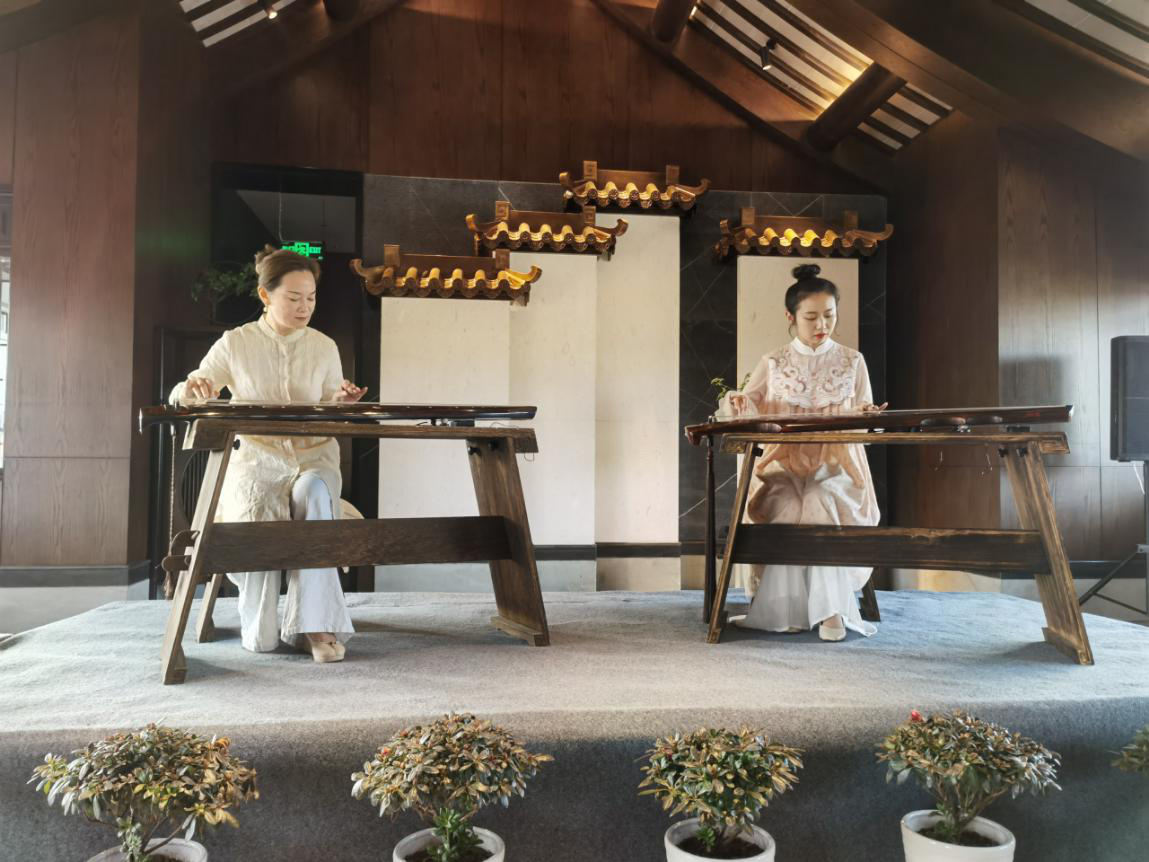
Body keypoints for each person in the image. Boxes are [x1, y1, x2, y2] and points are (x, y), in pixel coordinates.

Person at [170, 245, 366, 663]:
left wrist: (341, 401)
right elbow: (187, 390)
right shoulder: (236, 342)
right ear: (265, 295)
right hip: (256, 460)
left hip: (313, 457)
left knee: (315, 493)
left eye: (310, 298)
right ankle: (264, 624)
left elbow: (329, 402)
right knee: (261, 640)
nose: (304, 307)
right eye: (293, 298)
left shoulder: (323, 346)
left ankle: (315, 626)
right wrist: (194, 389)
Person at [723, 263, 885, 641]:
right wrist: (740, 402)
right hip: (784, 461)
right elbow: (750, 405)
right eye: (811, 317)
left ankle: (832, 611)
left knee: (821, 498)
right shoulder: (774, 361)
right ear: (791, 317)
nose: (821, 325)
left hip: (838, 462)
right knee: (787, 503)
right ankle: (786, 608)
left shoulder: (852, 361)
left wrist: (865, 414)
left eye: (829, 315)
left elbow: (863, 415)